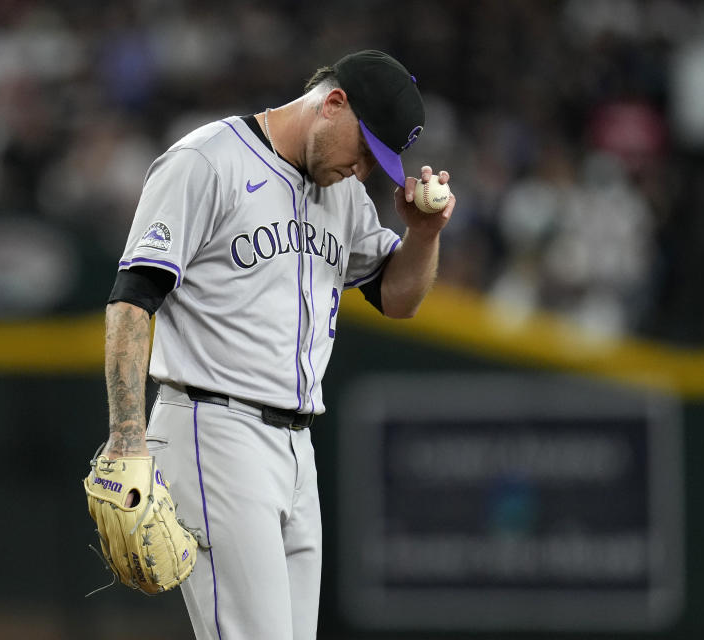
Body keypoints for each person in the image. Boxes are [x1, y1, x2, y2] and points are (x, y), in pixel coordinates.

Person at [100, 49, 455, 639]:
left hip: (296, 449)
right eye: (365, 150)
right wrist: (125, 440)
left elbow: (398, 299)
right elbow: (132, 300)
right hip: (213, 431)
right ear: (332, 104)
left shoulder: (340, 193)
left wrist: (422, 234)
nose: (364, 170)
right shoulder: (206, 161)